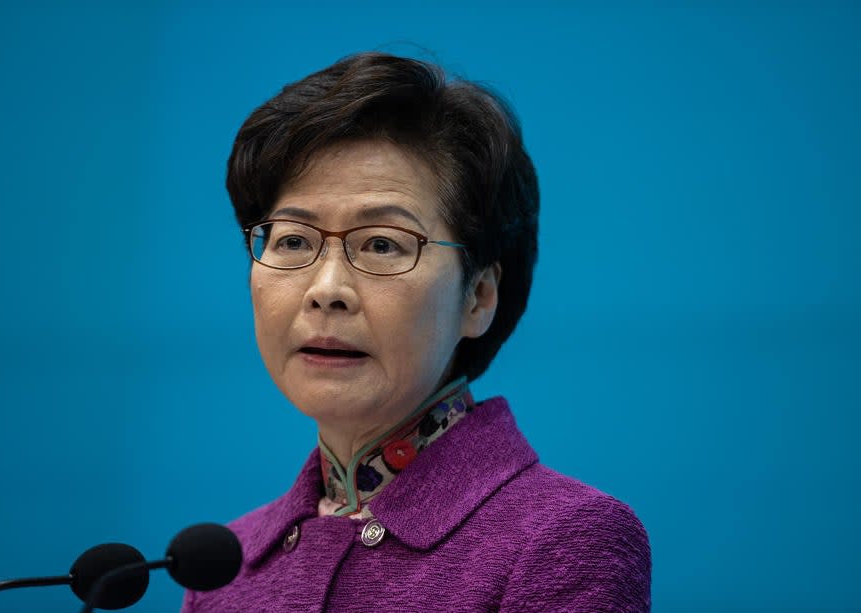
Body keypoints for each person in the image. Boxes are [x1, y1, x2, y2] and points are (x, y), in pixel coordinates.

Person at [181, 52, 651, 612]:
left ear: (478, 298)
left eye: (382, 244)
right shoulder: (223, 567)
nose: (326, 288)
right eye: (294, 241)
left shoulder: (561, 538)